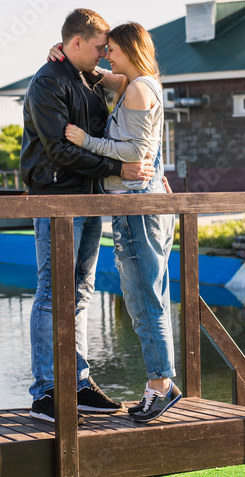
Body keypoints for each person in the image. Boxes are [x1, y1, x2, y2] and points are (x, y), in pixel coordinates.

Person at [20, 8, 153, 423]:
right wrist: (117, 168)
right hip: (56, 201)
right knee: (51, 293)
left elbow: (132, 91)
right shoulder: (47, 82)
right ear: (75, 43)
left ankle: (77, 384)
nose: (104, 55)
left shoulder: (88, 76)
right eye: (99, 48)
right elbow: (59, 150)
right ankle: (46, 393)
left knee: (79, 291)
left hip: (89, 198)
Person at [54, 21, 181, 423]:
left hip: (138, 206)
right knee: (148, 295)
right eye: (102, 48)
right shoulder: (132, 83)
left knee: (145, 299)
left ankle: (160, 388)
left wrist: (85, 140)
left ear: (128, 48)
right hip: (139, 205)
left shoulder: (140, 88)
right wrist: (60, 51)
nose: (106, 54)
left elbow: (137, 152)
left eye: (111, 48)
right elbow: (96, 73)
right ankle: (163, 382)